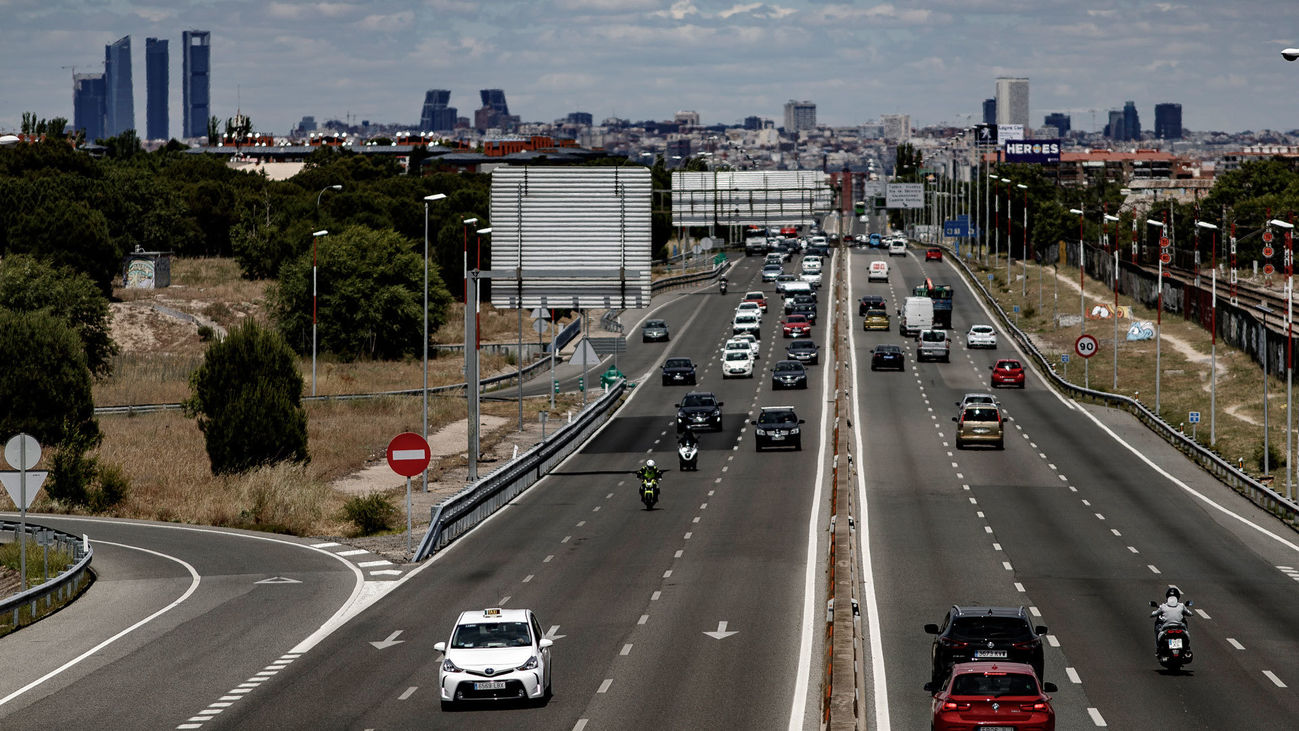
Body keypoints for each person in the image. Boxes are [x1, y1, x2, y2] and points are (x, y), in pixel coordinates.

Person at [1151, 586, 1191, 650]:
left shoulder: (1163, 606)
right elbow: (1189, 613)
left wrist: (1152, 614)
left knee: (1158, 632)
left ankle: (1159, 649)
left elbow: (1154, 613)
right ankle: (1186, 649)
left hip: (1166, 628)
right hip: (1179, 627)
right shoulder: (1181, 606)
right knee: (1186, 633)